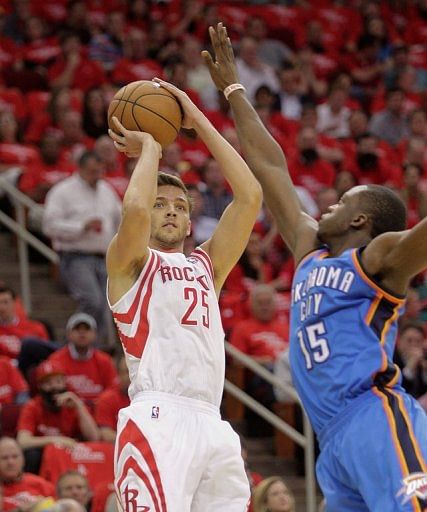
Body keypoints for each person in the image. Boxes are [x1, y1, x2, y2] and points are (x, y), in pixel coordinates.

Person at [203, 22, 427, 511]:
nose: (326, 203)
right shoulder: (309, 249)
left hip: (373, 414)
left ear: (361, 219)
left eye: (341, 201)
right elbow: (270, 168)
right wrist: (235, 91)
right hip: (331, 437)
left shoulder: (379, 260)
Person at [106, 76, 262, 510]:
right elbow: (134, 208)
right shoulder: (129, 263)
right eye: (162, 203)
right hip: (158, 417)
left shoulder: (206, 267)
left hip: (212, 423)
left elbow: (249, 196)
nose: (171, 210)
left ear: (191, 223)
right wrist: (152, 149)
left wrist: (197, 120)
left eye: (180, 206)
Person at [42, 151, 122, 342]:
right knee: (91, 300)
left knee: (104, 306)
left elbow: (120, 220)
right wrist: (81, 226)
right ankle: (76, 343)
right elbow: (49, 225)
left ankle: (95, 352)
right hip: (75, 256)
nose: (97, 176)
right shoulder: (63, 191)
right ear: (81, 168)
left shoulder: (106, 190)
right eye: (93, 172)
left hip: (104, 257)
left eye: (100, 171)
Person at [17, 359, 99, 474]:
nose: (54, 387)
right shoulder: (32, 406)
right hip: (44, 457)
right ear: (40, 386)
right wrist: (56, 441)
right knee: (31, 455)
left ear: (65, 383)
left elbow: (94, 438)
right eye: (48, 383)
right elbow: (23, 441)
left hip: (71, 455)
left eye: (58, 381)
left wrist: (79, 406)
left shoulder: (73, 404)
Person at [47, 313, 118, 410]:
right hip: (67, 413)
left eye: (87, 329)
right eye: (77, 329)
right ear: (68, 334)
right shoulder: (55, 360)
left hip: (98, 413)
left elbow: (113, 390)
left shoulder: (105, 361)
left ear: (94, 334)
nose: (82, 333)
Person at [0, 436, 55, 512]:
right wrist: (21, 510)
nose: (11, 462)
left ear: (23, 459)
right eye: (4, 458)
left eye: (15, 457)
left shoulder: (39, 483)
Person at [94, 355, 130, 442]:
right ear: (118, 375)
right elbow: (106, 434)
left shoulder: (149, 399)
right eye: (127, 372)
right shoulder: (107, 399)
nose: (131, 376)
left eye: (134, 372)